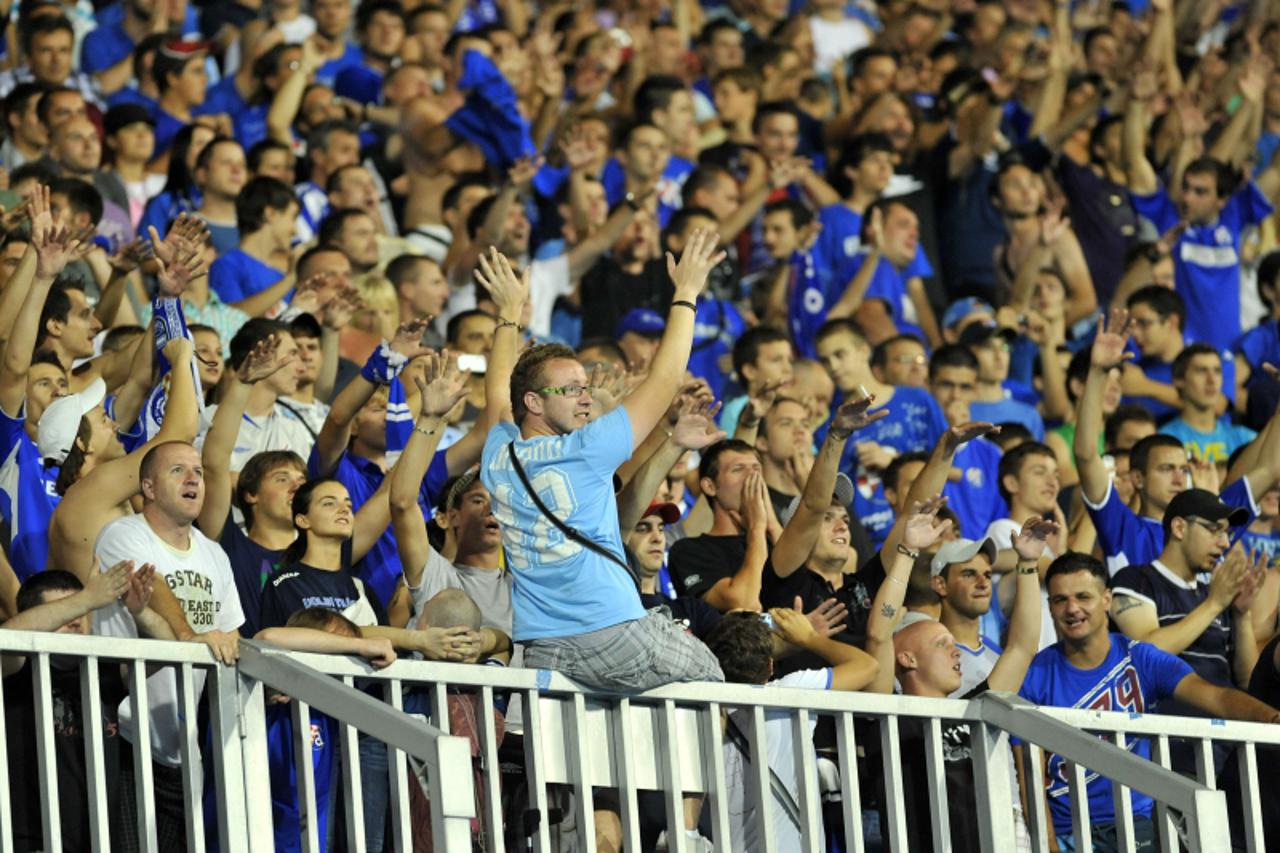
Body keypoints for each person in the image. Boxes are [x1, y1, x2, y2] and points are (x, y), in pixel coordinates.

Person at [476, 231, 727, 693]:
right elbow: (666, 377)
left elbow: (498, 393)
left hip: (543, 645)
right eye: (570, 389)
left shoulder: (498, 454)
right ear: (533, 402)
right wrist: (687, 293)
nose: (585, 398)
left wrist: (509, 313)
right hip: (613, 632)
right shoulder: (585, 449)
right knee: (716, 681)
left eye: (584, 387)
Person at [1021, 552, 1280, 852]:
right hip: (1070, 831)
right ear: (1050, 606)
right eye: (1060, 600)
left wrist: (1273, 719)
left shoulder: (1141, 658)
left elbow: (1218, 697)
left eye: (1083, 597)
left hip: (1137, 824)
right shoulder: (1035, 673)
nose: (1072, 608)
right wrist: (1049, 844)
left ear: (1106, 600)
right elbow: (1029, 772)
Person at [92, 440, 245, 851]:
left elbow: (231, 636)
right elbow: (155, 588)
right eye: (178, 470)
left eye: (198, 471)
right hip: (125, 731)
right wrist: (189, 638)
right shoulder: (123, 534)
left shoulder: (215, 554)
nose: (193, 478)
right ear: (148, 487)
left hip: (184, 746)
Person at [1076, 309, 1280, 572]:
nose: (1178, 478)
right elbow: (1086, 455)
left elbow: (1270, 469)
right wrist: (1097, 373)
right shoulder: (1123, 527)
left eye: (1184, 470)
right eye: (1166, 469)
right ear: (1137, 478)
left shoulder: (1213, 525)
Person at [1, 564, 169, 852]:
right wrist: (87, 599)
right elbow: (7, 637)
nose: (77, 620)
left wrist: (140, 612)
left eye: (83, 612)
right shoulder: (17, 671)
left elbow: (169, 648)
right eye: (65, 611)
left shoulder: (102, 673)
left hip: (99, 842)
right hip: (32, 843)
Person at [704, 607, 878, 853]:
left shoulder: (704, 710)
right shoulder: (789, 692)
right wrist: (809, 639)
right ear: (770, 665)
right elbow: (868, 666)